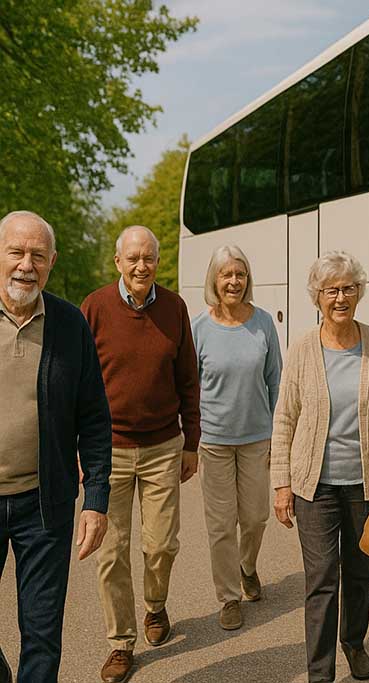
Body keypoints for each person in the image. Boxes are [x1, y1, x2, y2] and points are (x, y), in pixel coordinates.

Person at [270, 251, 369, 682]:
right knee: (322, 580)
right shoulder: (304, 347)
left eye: (348, 288)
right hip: (316, 486)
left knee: (361, 574)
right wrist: (281, 483)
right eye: (332, 290)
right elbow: (285, 416)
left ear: (359, 292)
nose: (341, 297)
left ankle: (355, 642)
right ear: (317, 297)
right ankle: (319, 673)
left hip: (367, 482)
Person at [81, 225, 201, 683]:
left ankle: (155, 606)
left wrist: (191, 441)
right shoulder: (93, 308)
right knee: (110, 553)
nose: (140, 266)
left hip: (162, 448)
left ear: (156, 262)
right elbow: (78, 386)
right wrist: (80, 448)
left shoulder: (174, 308)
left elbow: (189, 379)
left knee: (161, 545)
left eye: (148, 258)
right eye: (132, 258)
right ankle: (121, 642)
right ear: (117, 262)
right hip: (107, 450)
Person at [0, 211, 111, 683]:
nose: (26, 264)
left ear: (51, 263)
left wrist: (97, 500)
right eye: (16, 252)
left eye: (38, 256)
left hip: (45, 505)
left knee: (42, 632)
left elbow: (95, 416)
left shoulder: (69, 324)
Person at [192, 245, 282, 630]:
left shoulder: (262, 323)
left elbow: (275, 379)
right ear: (214, 279)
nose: (234, 281)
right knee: (220, 525)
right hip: (213, 440)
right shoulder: (198, 327)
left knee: (256, 516)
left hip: (256, 437)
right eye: (227, 274)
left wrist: (279, 434)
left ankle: (247, 566)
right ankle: (228, 597)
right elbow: (188, 385)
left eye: (240, 275)